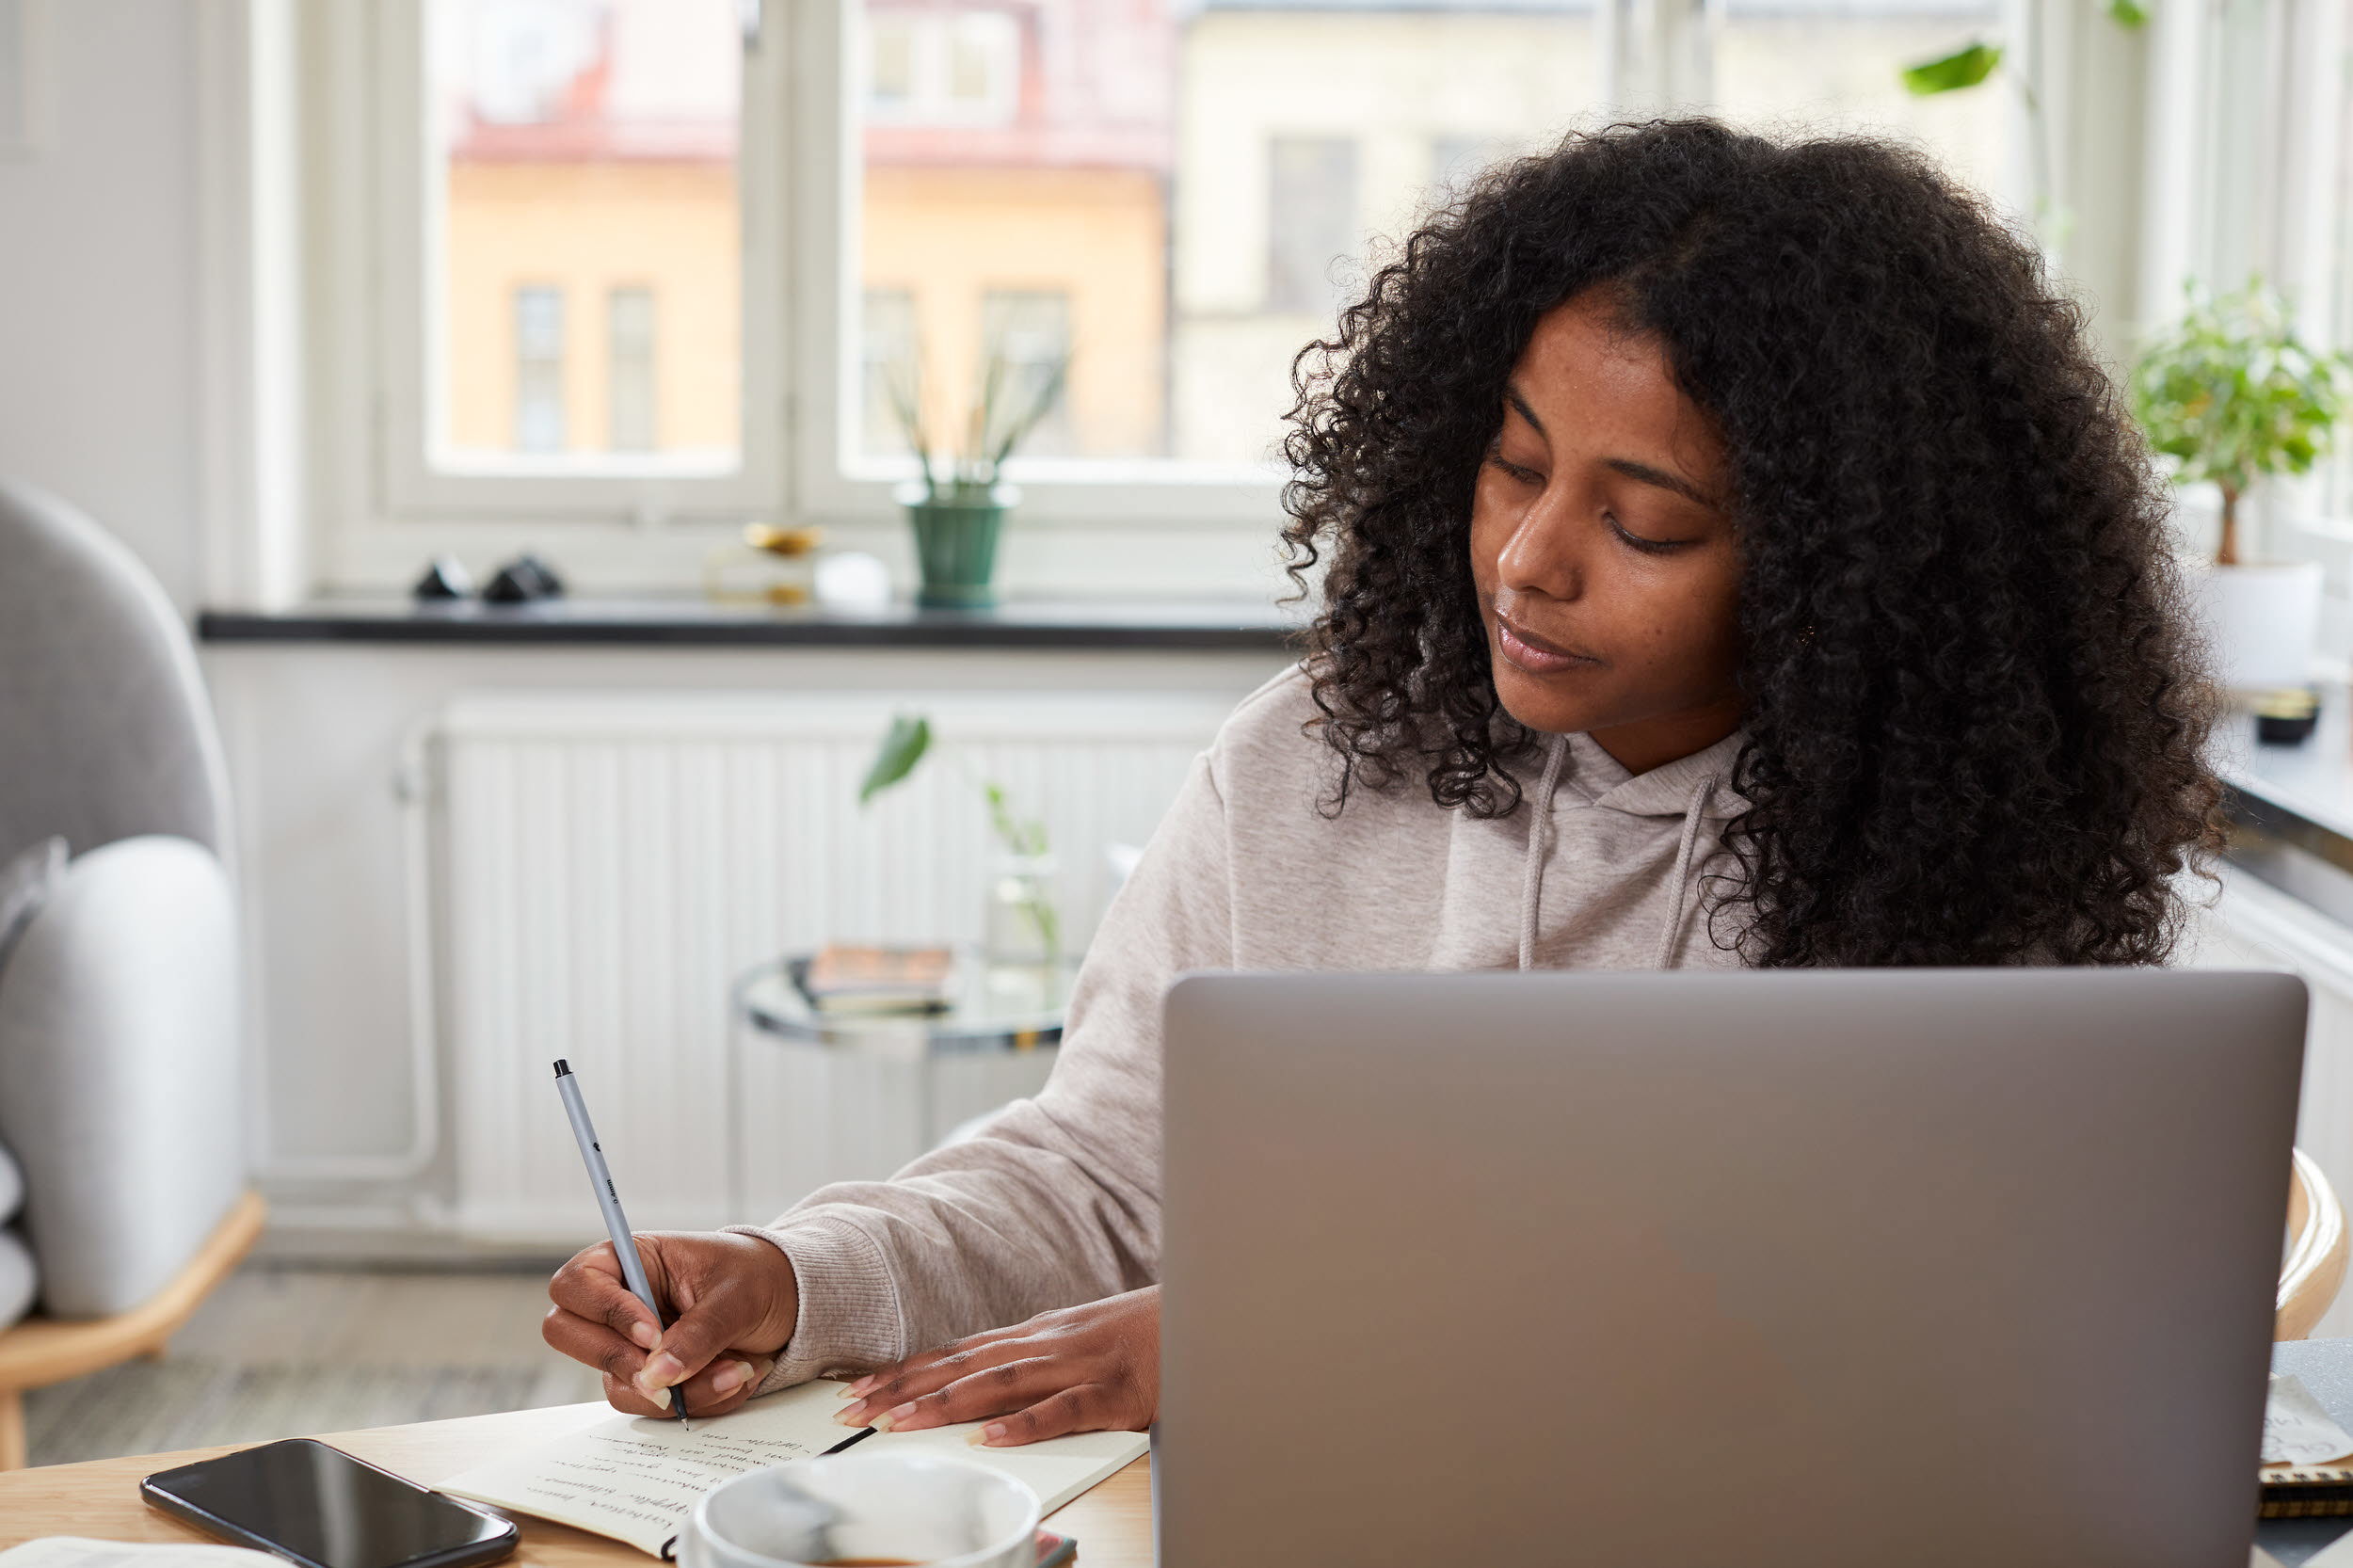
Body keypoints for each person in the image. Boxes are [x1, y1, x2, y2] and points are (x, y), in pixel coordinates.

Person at [542, 118, 2221, 1447]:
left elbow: (1886, 1328)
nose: (1531, 558)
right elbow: (1105, 1173)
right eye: (1511, 462)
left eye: (1646, 524)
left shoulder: (1949, 851)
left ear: (1842, 576)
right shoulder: (1316, 757)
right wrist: (801, 1275)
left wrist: (1282, 1341)